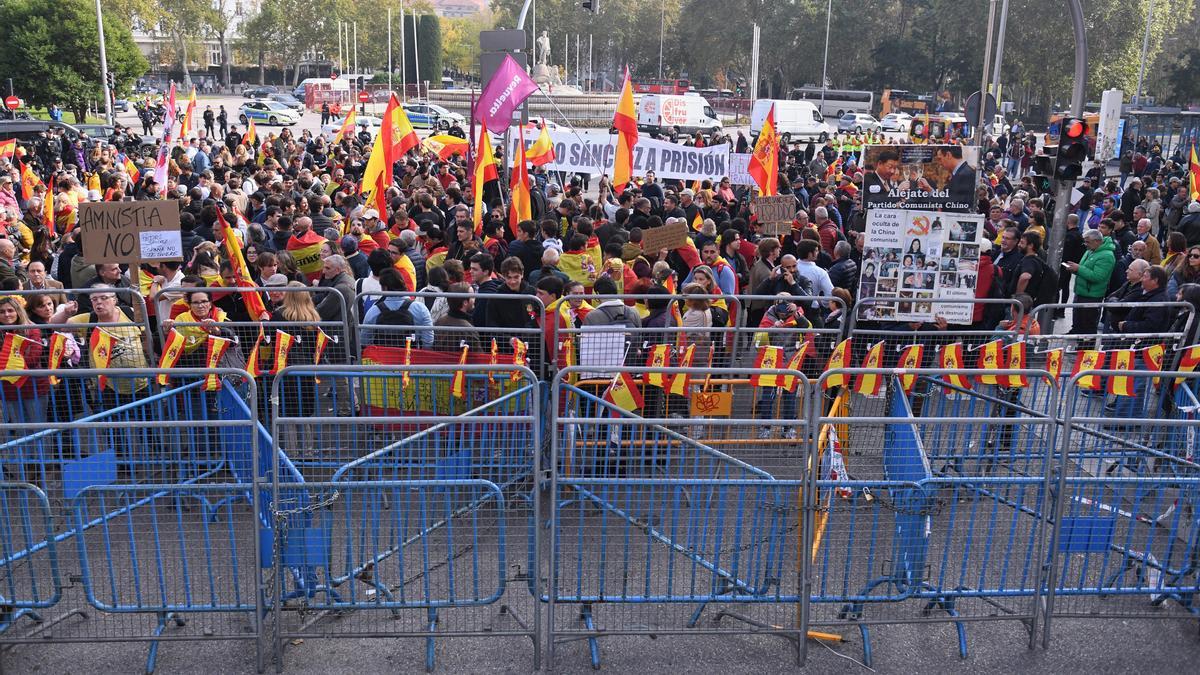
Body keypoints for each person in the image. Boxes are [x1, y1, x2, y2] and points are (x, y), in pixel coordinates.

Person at [0, 296, 48, 443]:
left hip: (34, 387)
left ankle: (44, 463)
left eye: (10, 310)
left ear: (18, 312)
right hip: (9, 390)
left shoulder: (32, 330)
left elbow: (33, 358)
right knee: (22, 432)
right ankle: (27, 464)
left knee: (39, 429)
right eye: (2, 312)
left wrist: (7, 365)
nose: (7, 314)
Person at [360, 268, 434, 348]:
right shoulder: (420, 309)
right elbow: (428, 340)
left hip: (383, 358)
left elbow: (365, 341)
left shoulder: (374, 311)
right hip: (411, 357)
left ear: (384, 288)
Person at [1064, 228, 1115, 335]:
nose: (1085, 244)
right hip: (1081, 292)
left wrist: (1078, 269)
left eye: (1088, 242)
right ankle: (1076, 334)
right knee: (1078, 319)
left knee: (1088, 325)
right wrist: (1074, 269)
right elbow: (1085, 268)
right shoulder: (1090, 250)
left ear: (1097, 241)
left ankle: (1086, 347)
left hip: (1091, 295)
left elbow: (1098, 276)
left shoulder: (1107, 256)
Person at [1116, 266, 1171, 334]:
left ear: (1155, 280)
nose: (1141, 279)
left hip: (1145, 342)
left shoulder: (1159, 301)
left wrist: (1126, 326)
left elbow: (1149, 326)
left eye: (1144, 276)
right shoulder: (1148, 294)